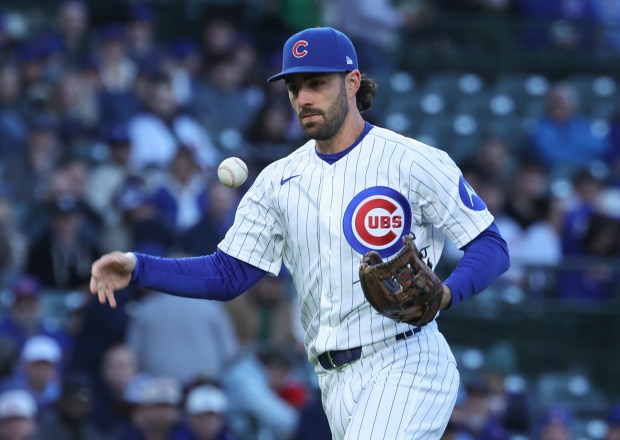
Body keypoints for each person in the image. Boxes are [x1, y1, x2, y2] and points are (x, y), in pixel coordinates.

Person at [90, 26, 510, 439]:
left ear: (352, 82)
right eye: (294, 87)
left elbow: (490, 243)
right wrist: (139, 267)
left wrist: (448, 293)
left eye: (316, 83)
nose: (303, 98)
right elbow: (228, 274)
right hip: (333, 381)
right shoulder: (278, 180)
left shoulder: (411, 160)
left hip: (406, 361)